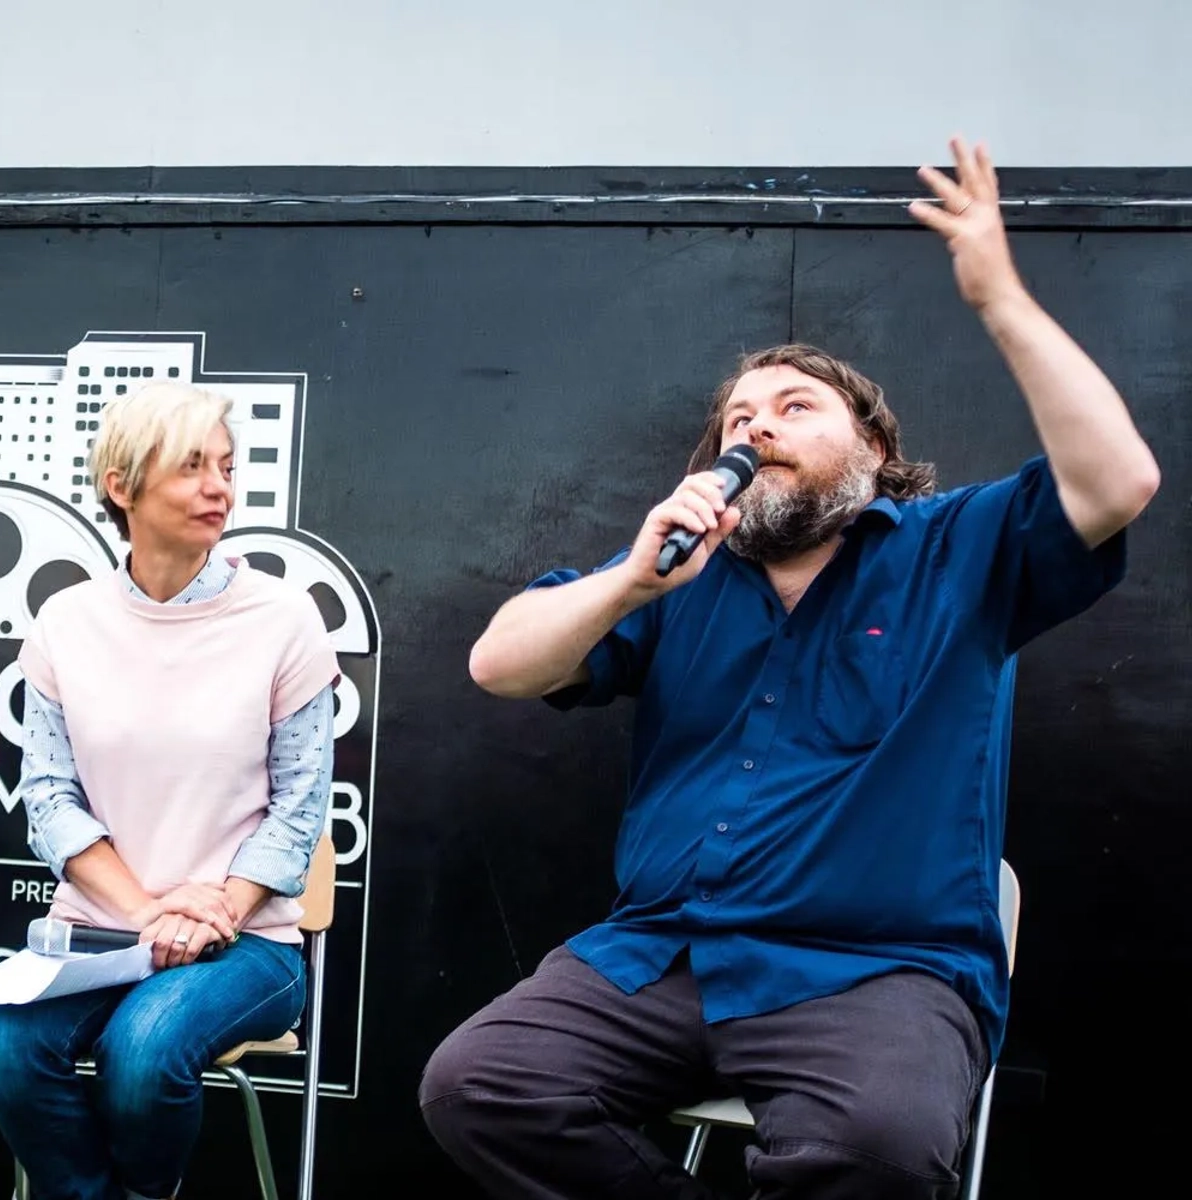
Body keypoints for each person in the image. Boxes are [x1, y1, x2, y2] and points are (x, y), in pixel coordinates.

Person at [421, 137, 1160, 1200]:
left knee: (874, 1151)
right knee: (478, 1085)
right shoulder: (676, 578)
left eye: (795, 408)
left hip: (877, 973)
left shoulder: (955, 549)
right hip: (667, 955)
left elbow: (1121, 480)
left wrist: (998, 296)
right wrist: (629, 584)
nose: (758, 425)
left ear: (872, 448)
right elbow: (499, 665)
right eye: (739, 418)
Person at [0, 381, 340, 1200]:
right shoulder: (66, 623)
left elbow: (301, 808)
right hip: (102, 935)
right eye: (191, 467)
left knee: (143, 1051)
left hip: (251, 944)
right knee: (6, 1049)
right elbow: (50, 799)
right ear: (122, 486)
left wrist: (214, 913)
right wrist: (146, 914)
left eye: (227, 466)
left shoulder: (284, 620)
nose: (219, 487)